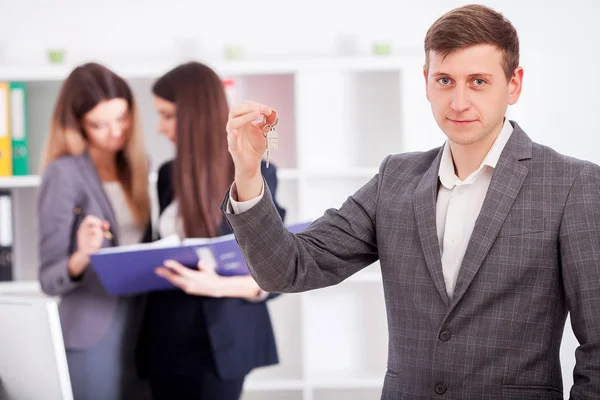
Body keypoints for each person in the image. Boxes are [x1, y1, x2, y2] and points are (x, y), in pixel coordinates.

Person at [222, 4, 600, 399]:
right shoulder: (396, 179)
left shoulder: (572, 183)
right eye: (444, 80)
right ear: (425, 82)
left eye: (478, 82)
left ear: (514, 84)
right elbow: (290, 269)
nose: (458, 102)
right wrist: (248, 174)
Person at [135, 61, 285, 400]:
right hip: (166, 336)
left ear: (194, 115)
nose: (160, 128)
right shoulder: (167, 174)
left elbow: (277, 271)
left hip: (221, 341)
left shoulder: (255, 172)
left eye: (168, 115)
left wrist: (216, 285)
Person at [37, 62, 152, 400]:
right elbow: (49, 278)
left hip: (143, 320)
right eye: (98, 124)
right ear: (78, 124)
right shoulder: (64, 173)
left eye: (121, 118)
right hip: (91, 327)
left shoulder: (137, 166)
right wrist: (82, 255)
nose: (114, 131)